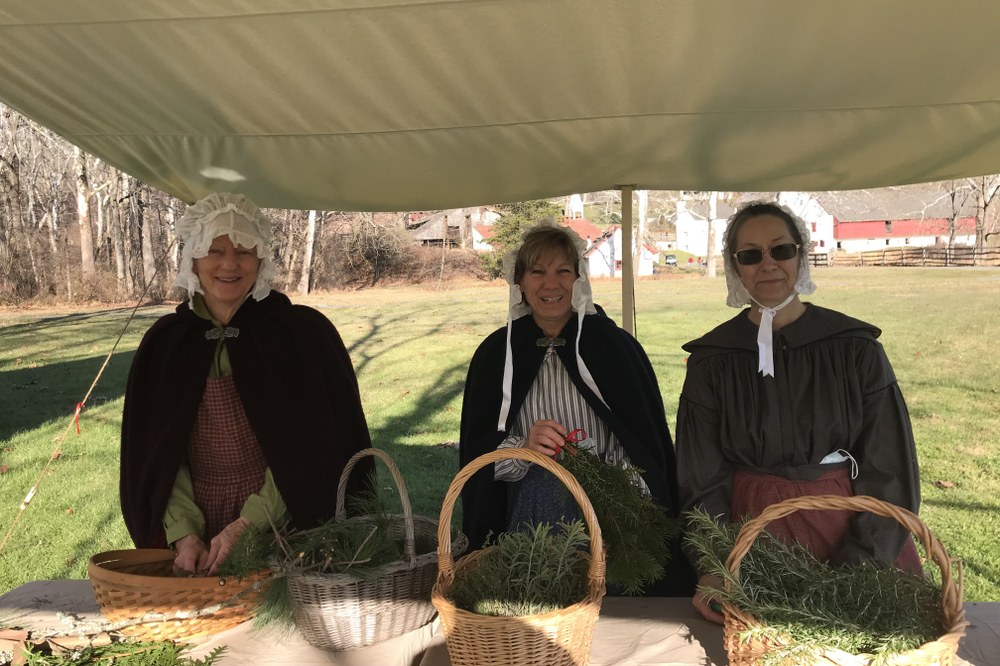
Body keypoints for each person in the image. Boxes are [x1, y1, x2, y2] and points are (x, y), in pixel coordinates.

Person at [675, 201, 921, 623]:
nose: (768, 264)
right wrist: (716, 562)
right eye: (750, 255)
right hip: (753, 536)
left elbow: (890, 466)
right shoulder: (712, 360)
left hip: (847, 524)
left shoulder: (855, 348)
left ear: (801, 255)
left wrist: (863, 565)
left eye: (781, 250)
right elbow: (701, 477)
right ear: (735, 267)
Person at [120, 192, 373, 576]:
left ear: (261, 260)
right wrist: (184, 533)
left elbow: (316, 448)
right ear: (193, 257)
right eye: (214, 250)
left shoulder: (301, 334)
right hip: (197, 529)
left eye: (243, 251)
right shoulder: (166, 344)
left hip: (290, 518)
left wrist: (250, 522)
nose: (229, 264)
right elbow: (157, 454)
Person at [458, 220, 695, 596]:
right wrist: (525, 449)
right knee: (547, 487)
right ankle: (546, 608)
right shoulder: (495, 356)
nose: (550, 285)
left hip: (613, 508)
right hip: (531, 510)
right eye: (537, 272)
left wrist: (607, 482)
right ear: (519, 281)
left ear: (579, 278)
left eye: (562, 271)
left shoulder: (614, 348)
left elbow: (641, 441)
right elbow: (480, 458)